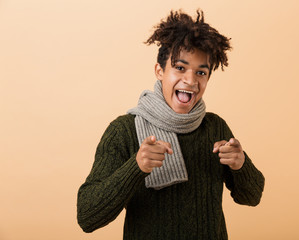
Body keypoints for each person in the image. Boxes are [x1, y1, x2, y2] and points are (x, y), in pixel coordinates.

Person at [77, 9, 265, 239]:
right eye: (180, 67)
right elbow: (87, 216)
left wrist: (240, 164)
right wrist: (136, 167)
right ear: (160, 71)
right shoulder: (123, 131)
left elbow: (252, 197)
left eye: (201, 72)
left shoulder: (215, 128)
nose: (190, 80)